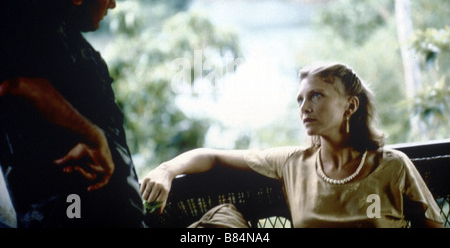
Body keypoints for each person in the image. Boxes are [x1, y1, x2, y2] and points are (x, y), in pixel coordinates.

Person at [140, 63, 444, 228]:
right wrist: (166, 171)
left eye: (316, 96)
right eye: (300, 99)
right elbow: (211, 156)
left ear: (349, 106)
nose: (304, 107)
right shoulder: (293, 163)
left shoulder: (391, 166)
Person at [0, 0, 145, 227]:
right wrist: (94, 135)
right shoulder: (23, 30)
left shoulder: (77, 50)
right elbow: (18, 87)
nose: (113, 4)